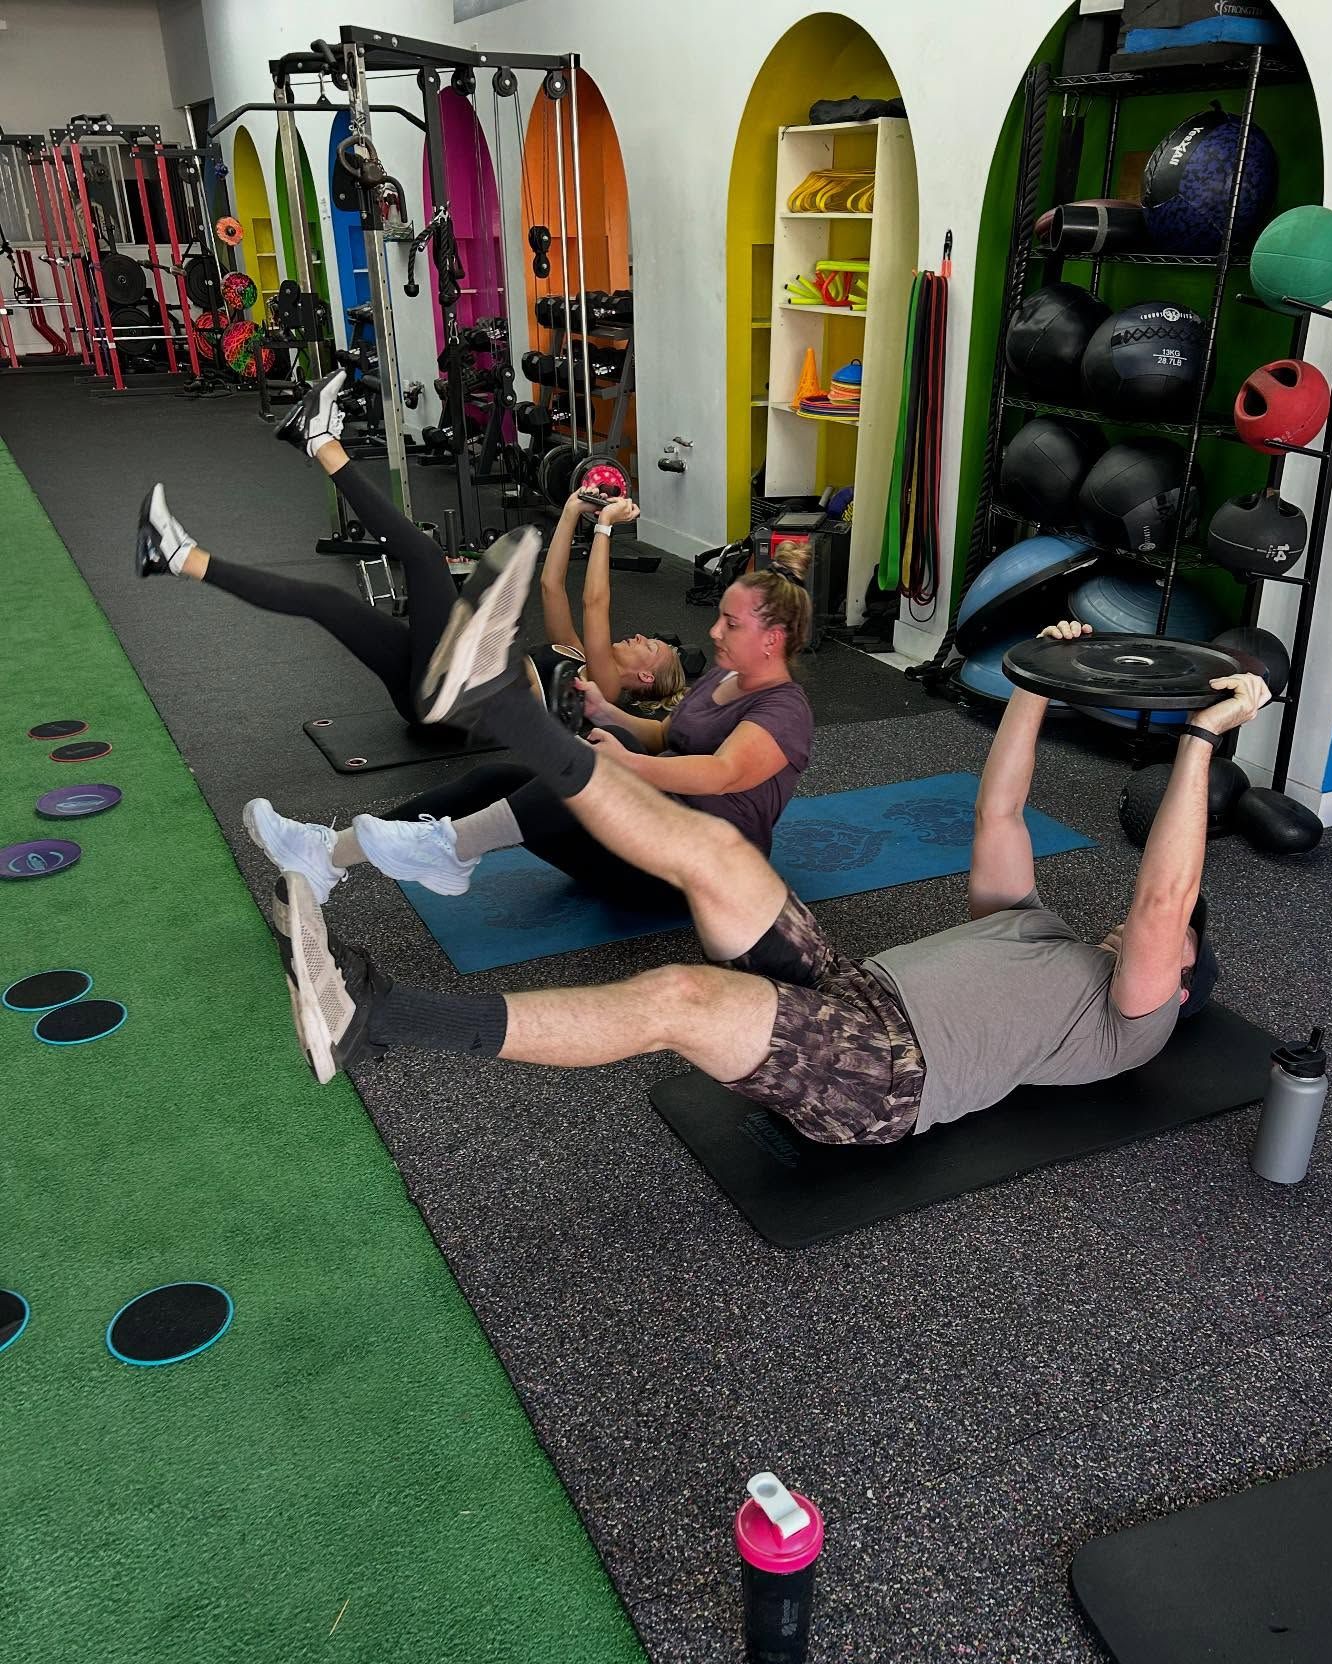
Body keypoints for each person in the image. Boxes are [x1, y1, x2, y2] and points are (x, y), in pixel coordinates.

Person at [267, 546, 1266, 1137]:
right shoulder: (1036, 929)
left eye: (1175, 947)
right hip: (855, 983)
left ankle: (377, 1019)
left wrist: (1198, 744)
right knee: (720, 855)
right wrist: (1039, 681)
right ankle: (502, 709)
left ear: (1182, 979)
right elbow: (999, 811)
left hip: (890, 1074)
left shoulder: (1136, 1019)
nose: (1147, 936)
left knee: (681, 999)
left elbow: (1163, 902)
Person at [240, 535, 816, 908]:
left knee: (593, 771)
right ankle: (326, 854)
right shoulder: (721, 677)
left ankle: (448, 846)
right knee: (496, 780)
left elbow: (720, 772)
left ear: (774, 639)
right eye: (719, 618)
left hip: (693, 874)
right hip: (646, 834)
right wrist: (606, 711)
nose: (714, 632)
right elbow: (669, 736)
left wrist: (626, 765)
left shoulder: (784, 712)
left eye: (731, 625)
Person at [133, 368, 691, 733]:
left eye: (653, 650)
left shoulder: (609, 689)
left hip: (457, 702)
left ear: (646, 681)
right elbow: (552, 585)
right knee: (333, 604)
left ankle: (320, 441)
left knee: (424, 557)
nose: (644, 637)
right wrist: (574, 509)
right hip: (434, 693)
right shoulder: (573, 655)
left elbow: (596, 603)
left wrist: (606, 529)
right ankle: (178, 556)